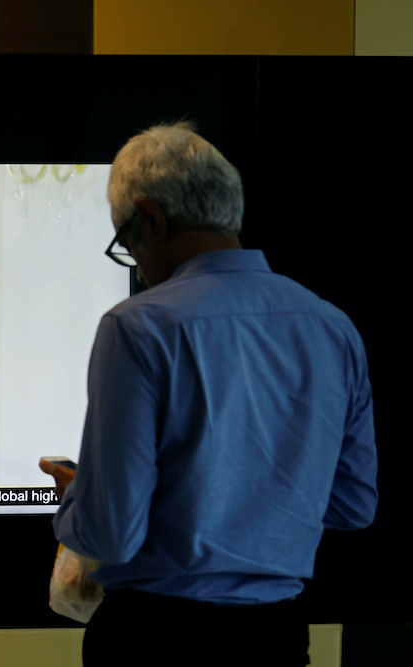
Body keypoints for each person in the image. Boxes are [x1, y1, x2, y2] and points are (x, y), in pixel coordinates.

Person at [49, 122, 377, 666]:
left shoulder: (139, 326)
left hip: (156, 638)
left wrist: (79, 496)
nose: (137, 267)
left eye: (126, 245)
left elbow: (111, 537)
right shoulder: (332, 327)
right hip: (279, 637)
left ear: (150, 218)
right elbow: (352, 504)